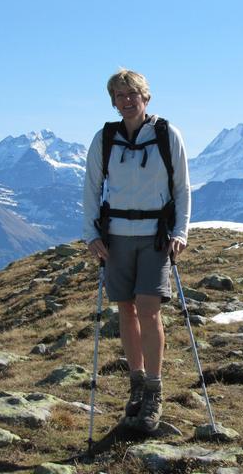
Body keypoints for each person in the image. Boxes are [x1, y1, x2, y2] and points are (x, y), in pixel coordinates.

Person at [83, 68, 191, 432]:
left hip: (155, 236)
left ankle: (154, 390)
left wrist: (181, 232)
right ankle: (137, 383)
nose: (127, 101)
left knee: (148, 310)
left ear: (146, 97)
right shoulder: (105, 138)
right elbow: (91, 188)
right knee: (124, 310)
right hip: (115, 235)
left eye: (133, 95)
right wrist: (90, 234)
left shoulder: (166, 135)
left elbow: (182, 187)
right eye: (119, 96)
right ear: (113, 101)